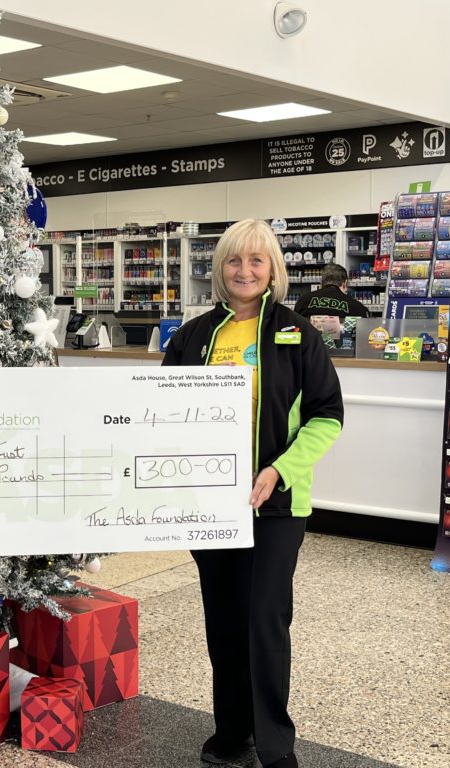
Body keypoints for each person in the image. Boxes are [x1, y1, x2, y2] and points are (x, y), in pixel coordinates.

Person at [162, 219, 343, 768]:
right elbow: (163, 409)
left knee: (264, 617)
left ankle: (276, 742)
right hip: (210, 501)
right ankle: (232, 729)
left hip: (277, 502)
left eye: (256, 261)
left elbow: (327, 416)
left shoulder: (296, 333)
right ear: (220, 268)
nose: (244, 271)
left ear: (273, 270)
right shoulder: (193, 335)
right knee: (223, 615)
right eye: (234, 261)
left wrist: (280, 470)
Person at [293, 263, 370, 319]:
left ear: (321, 282)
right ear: (345, 284)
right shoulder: (356, 306)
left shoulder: (303, 300)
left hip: (310, 341)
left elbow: (295, 327)